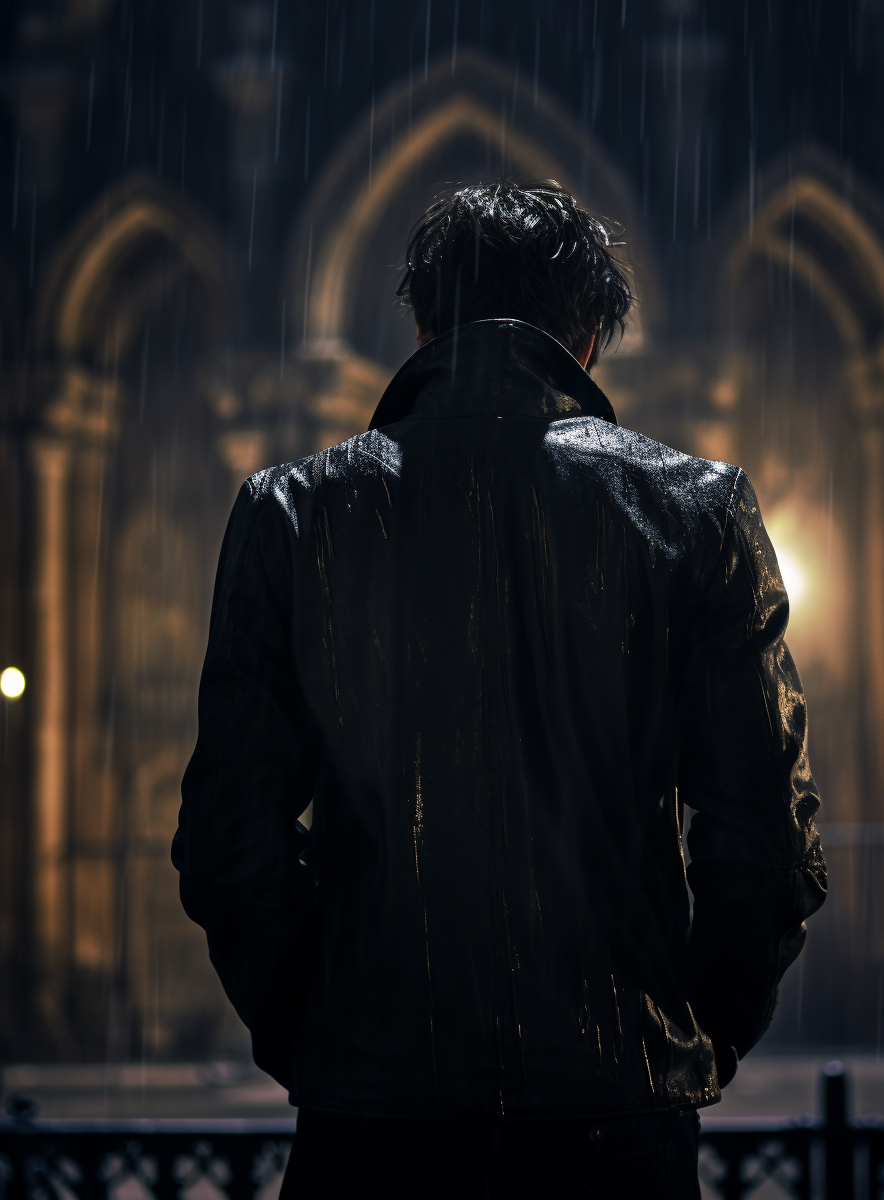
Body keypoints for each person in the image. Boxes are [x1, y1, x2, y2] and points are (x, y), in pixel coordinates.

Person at [172, 180, 826, 1198]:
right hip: (614, 1130)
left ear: (425, 325)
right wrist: (682, 1039)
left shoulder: (294, 513)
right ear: (590, 338)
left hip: (371, 1127)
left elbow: (229, 843)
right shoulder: (698, 513)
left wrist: (326, 1036)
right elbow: (769, 846)